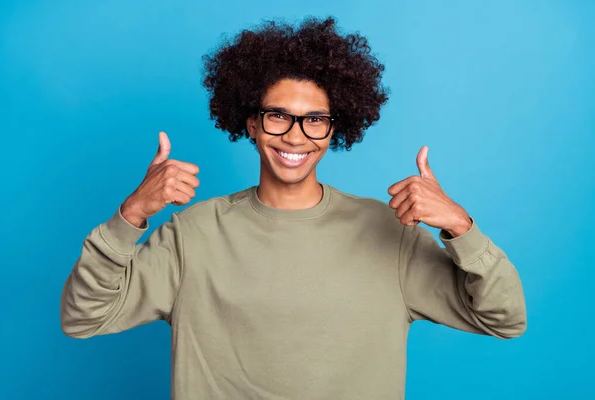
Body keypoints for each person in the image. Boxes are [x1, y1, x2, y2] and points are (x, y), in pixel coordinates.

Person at [60, 17, 527, 400]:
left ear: (334, 130)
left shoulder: (389, 232)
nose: (295, 135)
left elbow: (504, 318)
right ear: (251, 123)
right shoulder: (193, 234)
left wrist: (461, 228)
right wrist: (132, 214)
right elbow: (83, 317)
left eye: (315, 120)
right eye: (278, 115)